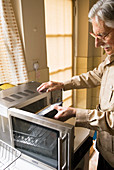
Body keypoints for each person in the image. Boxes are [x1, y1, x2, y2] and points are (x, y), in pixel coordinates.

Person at [37, 0, 114, 169]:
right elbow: (94, 76)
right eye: (95, 36)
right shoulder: (111, 59)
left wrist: (76, 113)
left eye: (103, 35)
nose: (97, 44)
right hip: (106, 150)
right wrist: (62, 84)